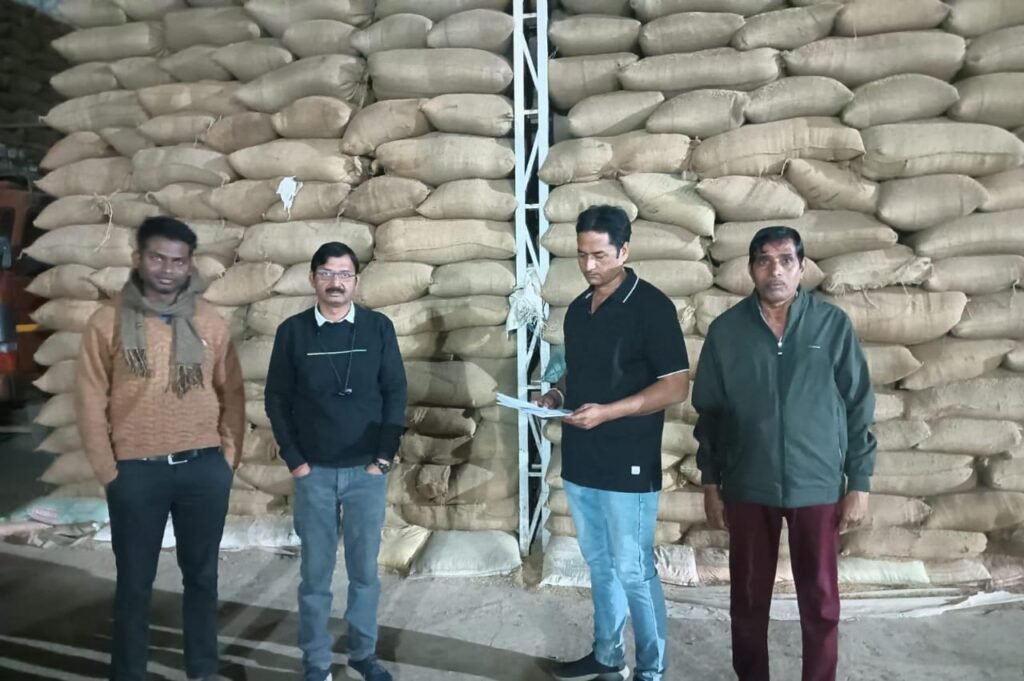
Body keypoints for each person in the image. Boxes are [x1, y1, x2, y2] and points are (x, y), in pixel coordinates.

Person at [693, 226, 877, 681]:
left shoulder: (831, 326)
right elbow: (710, 414)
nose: (775, 270)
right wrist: (712, 483)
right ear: (750, 268)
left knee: (821, 600)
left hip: (816, 483)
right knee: (748, 598)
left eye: (785, 260)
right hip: (747, 483)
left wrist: (859, 482)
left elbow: (858, 406)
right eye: (764, 260)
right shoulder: (726, 332)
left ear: (802, 267)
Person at [76, 216, 245, 681]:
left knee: (202, 578)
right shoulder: (107, 321)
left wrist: (226, 460)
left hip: (202, 469)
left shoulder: (209, 320)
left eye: (178, 261)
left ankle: (202, 670)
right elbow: (89, 400)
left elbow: (232, 393)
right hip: (136, 472)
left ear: (190, 264)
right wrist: (109, 471)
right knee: (134, 583)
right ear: (138, 259)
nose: (168, 270)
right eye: (158, 258)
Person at [535, 205, 690, 681]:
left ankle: (651, 671)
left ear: (624, 251)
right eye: (582, 255)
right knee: (600, 564)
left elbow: (676, 386)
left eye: (599, 255)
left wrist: (609, 411)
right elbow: (579, 371)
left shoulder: (651, 307)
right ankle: (606, 656)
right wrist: (556, 394)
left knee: (634, 569)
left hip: (629, 459)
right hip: (582, 458)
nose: (589, 265)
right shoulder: (578, 309)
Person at [265, 241, 406, 681]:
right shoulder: (292, 333)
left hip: (366, 472)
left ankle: (363, 656)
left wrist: (383, 458)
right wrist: (296, 462)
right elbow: (276, 399)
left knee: (365, 574)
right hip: (315, 473)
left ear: (356, 281)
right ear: (312, 279)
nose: (335, 282)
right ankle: (317, 664)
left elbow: (395, 393)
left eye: (344, 274)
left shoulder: (378, 328)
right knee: (315, 577)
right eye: (326, 273)